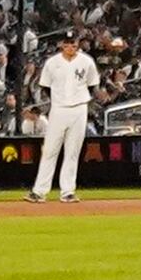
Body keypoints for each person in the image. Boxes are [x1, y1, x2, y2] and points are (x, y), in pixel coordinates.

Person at [31, 33, 99, 200]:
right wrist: (58, 98)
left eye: (73, 44)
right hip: (59, 109)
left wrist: (80, 99)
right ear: (62, 45)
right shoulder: (52, 63)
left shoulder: (86, 61)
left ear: (77, 44)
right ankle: (39, 191)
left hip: (79, 109)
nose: (71, 47)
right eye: (68, 44)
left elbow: (92, 85)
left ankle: (67, 191)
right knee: (49, 150)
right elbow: (45, 86)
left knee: (72, 151)